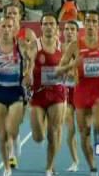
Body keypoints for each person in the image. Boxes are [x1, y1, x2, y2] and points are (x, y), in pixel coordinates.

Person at [56, 10, 99, 176]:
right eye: (88, 21)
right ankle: (92, 168)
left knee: (98, 126)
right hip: (82, 92)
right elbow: (58, 69)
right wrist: (72, 65)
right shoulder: (75, 46)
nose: (91, 24)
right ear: (84, 24)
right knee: (84, 132)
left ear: (98, 25)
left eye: (94, 21)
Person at [0, 16, 32, 176]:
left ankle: (15, 142)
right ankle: (6, 167)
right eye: (3, 26)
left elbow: (31, 61)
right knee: (2, 135)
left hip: (16, 90)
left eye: (10, 26)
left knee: (12, 129)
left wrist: (28, 73)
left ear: (14, 28)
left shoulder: (21, 44)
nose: (6, 29)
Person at [27, 13, 66, 176]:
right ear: (41, 27)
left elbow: (69, 66)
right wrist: (28, 72)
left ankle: (50, 167)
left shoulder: (62, 46)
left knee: (54, 132)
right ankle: (43, 136)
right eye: (45, 24)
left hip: (57, 93)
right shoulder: (35, 45)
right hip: (38, 93)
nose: (49, 27)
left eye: (52, 24)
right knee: (38, 137)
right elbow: (29, 62)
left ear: (56, 27)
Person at [2, 2, 36, 169]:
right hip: (5, 81)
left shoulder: (27, 33)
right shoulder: (0, 34)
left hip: (22, 81)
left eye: (14, 13)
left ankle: (15, 139)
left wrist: (29, 71)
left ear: (20, 16)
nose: (12, 16)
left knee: (17, 119)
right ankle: (11, 155)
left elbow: (34, 55)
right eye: (9, 13)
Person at [61, 20, 79, 172]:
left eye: (72, 29)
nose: (69, 31)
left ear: (77, 32)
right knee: (70, 129)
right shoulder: (58, 48)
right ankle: (75, 161)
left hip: (81, 92)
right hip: (65, 92)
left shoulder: (82, 49)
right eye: (66, 29)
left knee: (85, 128)